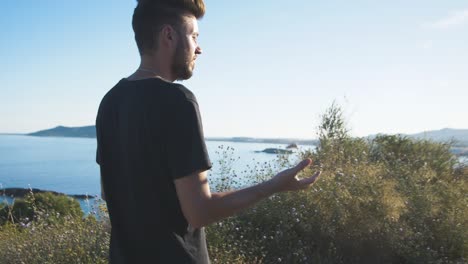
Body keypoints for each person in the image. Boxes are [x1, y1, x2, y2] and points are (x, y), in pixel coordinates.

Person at [95, 0, 321, 263]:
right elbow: (200, 212)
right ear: (169, 35)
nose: (199, 48)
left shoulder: (110, 101)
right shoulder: (178, 100)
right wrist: (273, 185)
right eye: (193, 36)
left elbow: (107, 192)